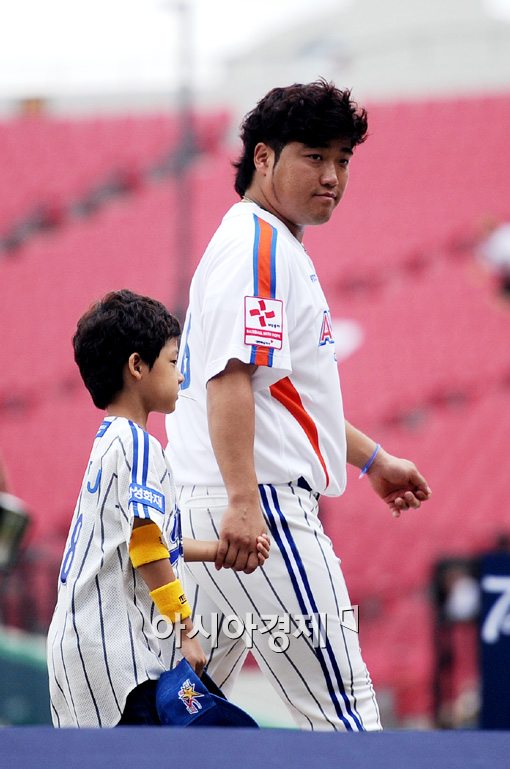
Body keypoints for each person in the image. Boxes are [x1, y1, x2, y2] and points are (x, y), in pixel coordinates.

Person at [166, 80, 432, 731]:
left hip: (210, 499)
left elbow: (281, 393)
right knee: (345, 715)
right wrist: (243, 502)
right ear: (263, 157)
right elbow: (230, 378)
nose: (333, 175)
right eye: (315, 156)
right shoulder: (259, 248)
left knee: (184, 706)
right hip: (260, 508)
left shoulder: (264, 243)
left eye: (342, 159)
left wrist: (374, 461)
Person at [46, 289, 270, 727]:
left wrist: (219, 551)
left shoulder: (109, 441)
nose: (181, 374)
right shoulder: (139, 443)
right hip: (112, 651)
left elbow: (151, 540)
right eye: (172, 361)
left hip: (77, 648)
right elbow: (147, 547)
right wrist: (186, 631)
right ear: (136, 367)